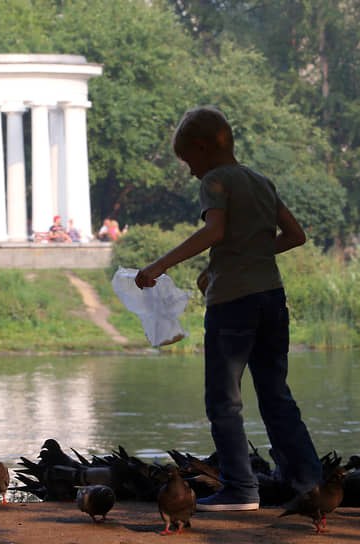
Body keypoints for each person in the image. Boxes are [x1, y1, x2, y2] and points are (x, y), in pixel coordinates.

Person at [135, 106, 321, 512]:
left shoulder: (217, 181)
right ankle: (309, 484)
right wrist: (237, 258)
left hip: (232, 305)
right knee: (277, 396)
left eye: (189, 162)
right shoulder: (261, 181)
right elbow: (295, 235)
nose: (191, 173)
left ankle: (241, 489)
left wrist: (159, 266)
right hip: (272, 300)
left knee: (224, 401)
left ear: (203, 148)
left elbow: (215, 231)